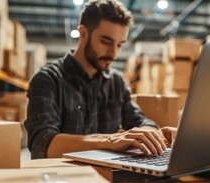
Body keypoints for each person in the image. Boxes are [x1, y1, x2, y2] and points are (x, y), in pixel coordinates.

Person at [25, 0, 176, 159]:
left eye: (119, 45)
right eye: (106, 41)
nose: (113, 54)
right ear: (83, 33)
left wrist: (151, 132)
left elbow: (138, 120)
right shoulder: (47, 79)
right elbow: (42, 143)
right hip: (61, 179)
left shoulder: (116, 82)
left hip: (106, 177)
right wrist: (107, 140)